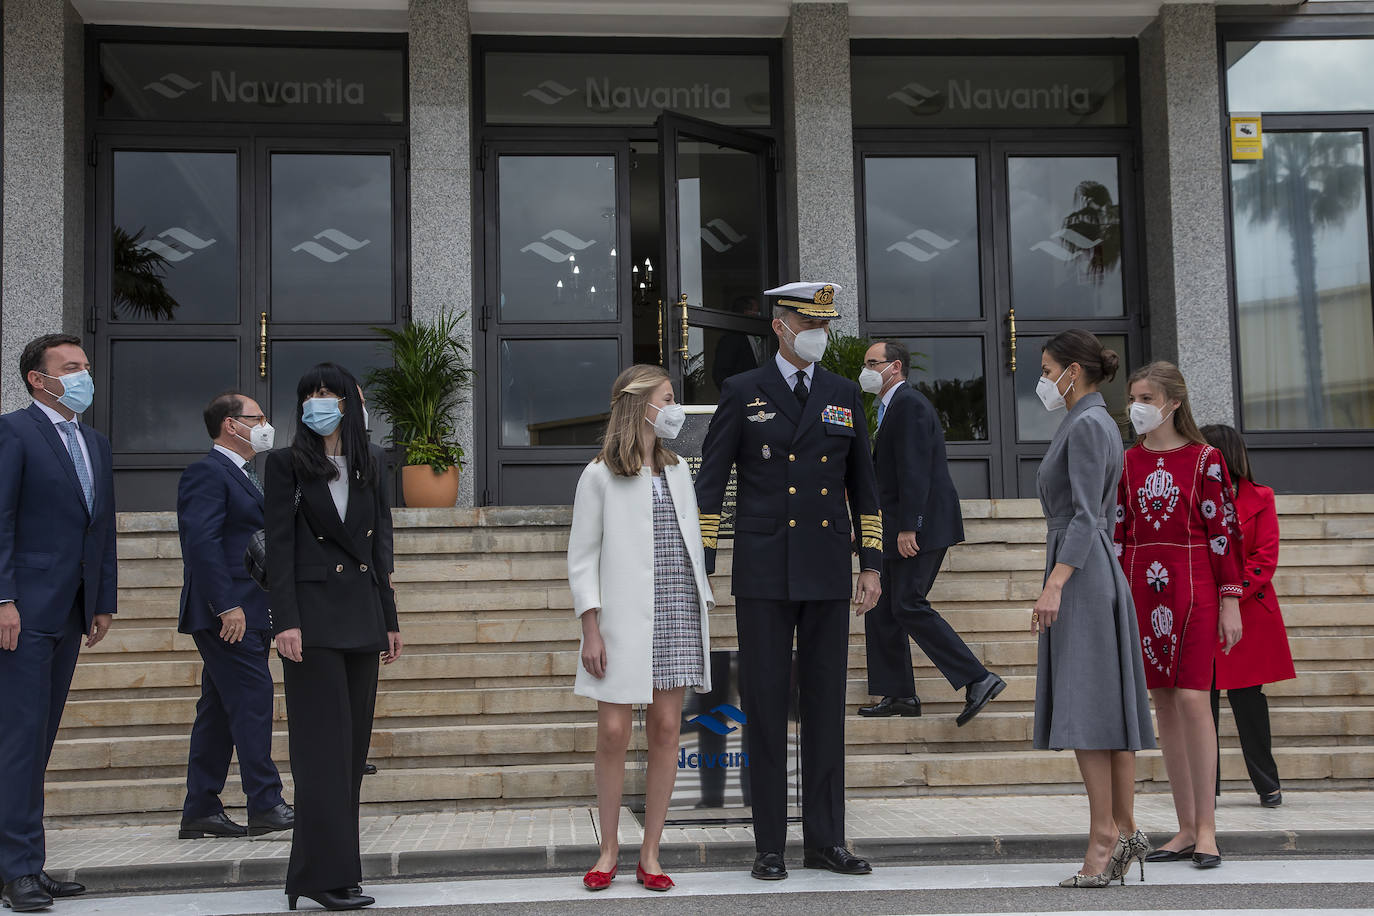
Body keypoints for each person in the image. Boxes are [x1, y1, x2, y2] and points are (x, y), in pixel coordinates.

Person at [695, 281, 883, 881]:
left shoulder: (843, 393)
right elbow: (712, 484)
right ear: (781, 325)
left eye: (825, 322)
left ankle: (827, 839)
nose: (821, 333)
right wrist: (705, 564)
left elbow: (866, 488)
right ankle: (770, 844)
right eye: (811, 322)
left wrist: (872, 564)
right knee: (768, 706)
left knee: (826, 707)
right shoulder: (743, 391)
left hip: (826, 568)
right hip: (765, 572)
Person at [568, 364, 714, 894]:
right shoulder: (599, 475)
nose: (676, 408)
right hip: (622, 619)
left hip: (676, 612)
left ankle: (650, 853)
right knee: (612, 731)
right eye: (669, 398)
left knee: (666, 730)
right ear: (640, 405)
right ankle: (608, 848)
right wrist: (591, 629)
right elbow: (582, 558)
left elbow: (689, 548)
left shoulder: (678, 471)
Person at [265, 363, 402, 912]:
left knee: (350, 756)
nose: (318, 402)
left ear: (350, 402)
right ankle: (319, 876)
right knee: (320, 753)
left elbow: (380, 550)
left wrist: (390, 619)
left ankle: (337, 873)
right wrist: (285, 621)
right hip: (312, 623)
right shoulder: (285, 465)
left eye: (327, 393)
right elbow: (278, 547)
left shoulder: (372, 465)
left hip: (363, 620)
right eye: (309, 393)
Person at [1031, 330, 1155, 889]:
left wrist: (1054, 583)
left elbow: (1084, 516)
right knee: (1106, 711)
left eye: (1046, 368)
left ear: (1072, 372)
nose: (1042, 380)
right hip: (1094, 565)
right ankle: (1122, 830)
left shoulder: (1085, 425)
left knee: (1087, 710)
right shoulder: (1098, 422)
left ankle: (1105, 836)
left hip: (1079, 568)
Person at [0, 334, 116, 912]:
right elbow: (0, 519)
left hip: (71, 609)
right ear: (36, 379)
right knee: (18, 742)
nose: (82, 375)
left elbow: (103, 529)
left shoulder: (94, 441)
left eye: (85, 366)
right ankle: (18, 868)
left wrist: (103, 600)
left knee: (38, 742)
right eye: (70, 368)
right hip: (24, 612)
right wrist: (3, 598)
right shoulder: (15, 432)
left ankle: (25, 862)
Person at [1116, 361, 1243, 871]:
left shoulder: (1206, 459)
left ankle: (1208, 828)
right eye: (1132, 396)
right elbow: (1122, 530)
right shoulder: (1127, 461)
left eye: (1146, 397)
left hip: (1196, 585)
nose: (1136, 406)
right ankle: (1185, 826)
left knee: (1194, 699)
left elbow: (1224, 532)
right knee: (1164, 703)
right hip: (1141, 584)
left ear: (1172, 403)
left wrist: (1231, 599)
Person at [857, 340, 1005, 724]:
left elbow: (914, 470)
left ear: (896, 368)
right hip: (895, 526)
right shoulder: (890, 408)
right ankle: (899, 694)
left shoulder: (909, 405)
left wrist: (910, 526)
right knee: (883, 608)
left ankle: (979, 678)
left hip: (920, 527)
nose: (867, 370)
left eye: (874, 363)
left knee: (907, 602)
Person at [176, 391, 294, 841]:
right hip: (228, 613)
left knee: (219, 711)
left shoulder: (247, 474)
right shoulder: (207, 472)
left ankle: (200, 808)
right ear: (231, 424)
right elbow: (201, 545)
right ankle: (265, 802)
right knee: (252, 699)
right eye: (257, 418)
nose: (265, 425)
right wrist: (226, 606)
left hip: (250, 608)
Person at [1201, 424, 1295, 808]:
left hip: (1248, 615)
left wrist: (1230, 593)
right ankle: (1206, 788)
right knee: (1200, 703)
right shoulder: (1195, 497)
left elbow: (1264, 558)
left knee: (1248, 702)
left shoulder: (1261, 496)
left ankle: (1267, 783)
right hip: (1203, 610)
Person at [711, 295, 765, 388]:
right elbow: (720, 373)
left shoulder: (760, 338)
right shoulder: (730, 339)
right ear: (746, 312)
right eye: (756, 311)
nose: (759, 315)